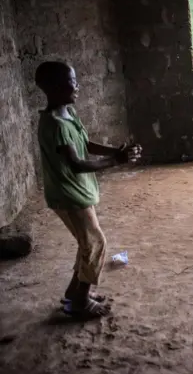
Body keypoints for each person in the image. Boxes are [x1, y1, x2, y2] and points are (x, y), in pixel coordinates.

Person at [35, 61, 142, 319]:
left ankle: (75, 292)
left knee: (87, 243)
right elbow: (77, 164)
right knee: (95, 243)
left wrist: (115, 151)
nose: (77, 86)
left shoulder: (68, 115)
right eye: (71, 82)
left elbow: (85, 144)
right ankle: (80, 302)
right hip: (68, 194)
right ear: (53, 87)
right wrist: (116, 161)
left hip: (76, 192)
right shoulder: (56, 125)